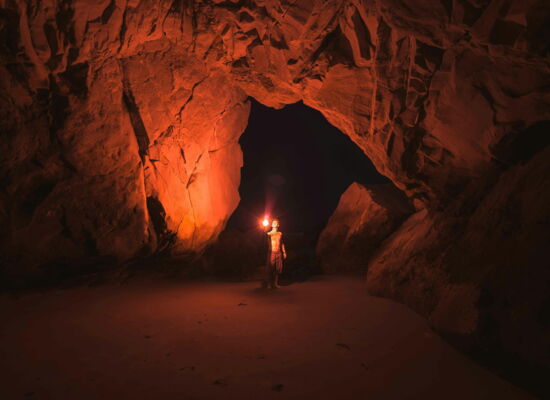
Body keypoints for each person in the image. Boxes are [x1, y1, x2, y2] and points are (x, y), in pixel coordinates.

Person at [263, 218, 286, 289]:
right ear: (271, 225)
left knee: (277, 269)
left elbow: (282, 243)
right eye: (273, 223)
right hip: (272, 252)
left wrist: (284, 252)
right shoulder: (269, 234)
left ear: (278, 225)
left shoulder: (280, 234)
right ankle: (269, 284)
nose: (274, 223)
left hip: (278, 252)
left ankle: (275, 284)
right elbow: (265, 241)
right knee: (271, 268)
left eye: (276, 223)